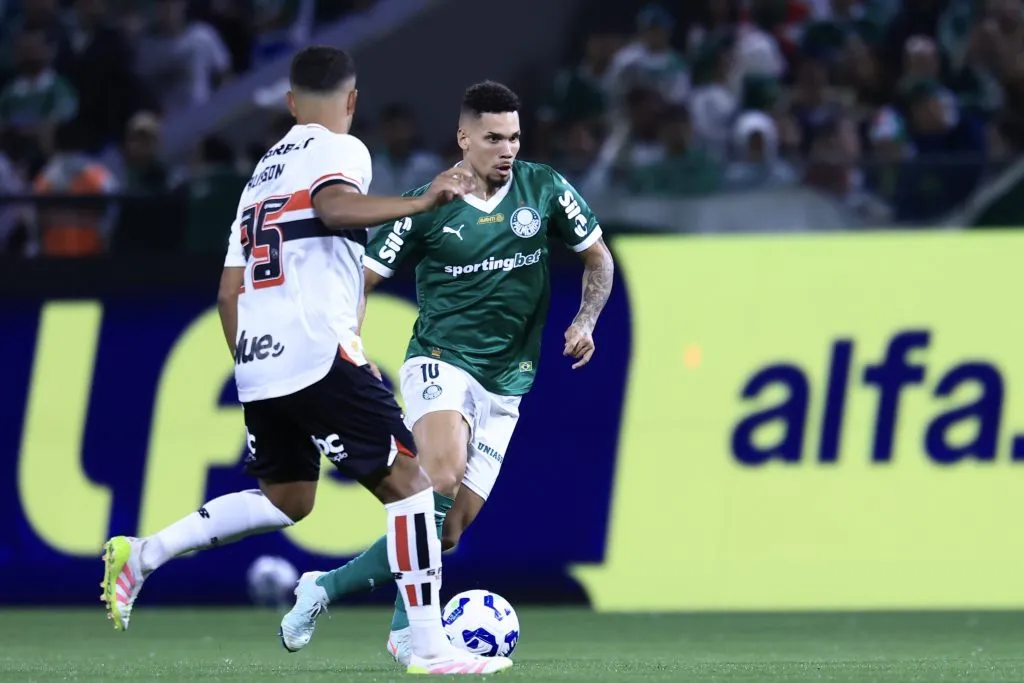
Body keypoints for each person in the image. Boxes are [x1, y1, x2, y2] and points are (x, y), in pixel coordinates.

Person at [100, 46, 512, 676]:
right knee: (413, 488)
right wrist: (421, 202)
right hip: (314, 351)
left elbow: (226, 292)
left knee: (289, 498)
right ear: (350, 100)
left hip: (261, 362)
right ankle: (428, 647)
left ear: (290, 103)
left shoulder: (259, 175)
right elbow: (333, 208)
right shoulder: (340, 148)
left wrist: (253, 371)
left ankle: (145, 554)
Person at [279, 80, 615, 664]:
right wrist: (348, 345)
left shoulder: (544, 189)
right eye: (492, 138)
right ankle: (413, 633)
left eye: (513, 137)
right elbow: (361, 279)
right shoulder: (428, 205)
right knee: (440, 475)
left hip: (508, 381)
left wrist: (586, 318)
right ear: (464, 138)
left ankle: (323, 588)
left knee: (448, 529)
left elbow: (598, 257)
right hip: (440, 363)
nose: (506, 149)